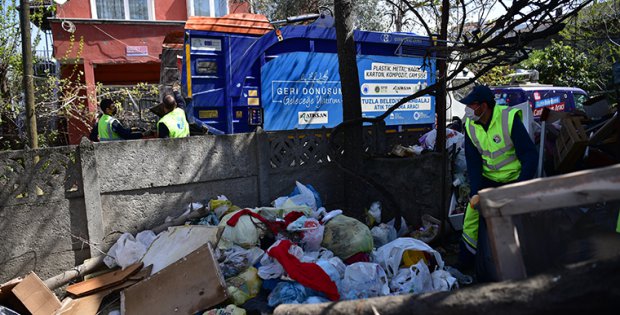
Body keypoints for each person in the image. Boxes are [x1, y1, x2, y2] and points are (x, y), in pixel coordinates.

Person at [458, 85, 538, 282]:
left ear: (484, 106)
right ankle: (466, 262)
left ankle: (524, 263)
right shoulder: (470, 125)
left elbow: (529, 155)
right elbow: (473, 162)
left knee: (518, 219)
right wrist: (475, 192)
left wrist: (521, 187)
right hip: (488, 180)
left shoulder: (508, 118)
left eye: (472, 105)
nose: (468, 109)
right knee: (471, 219)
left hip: (513, 180)